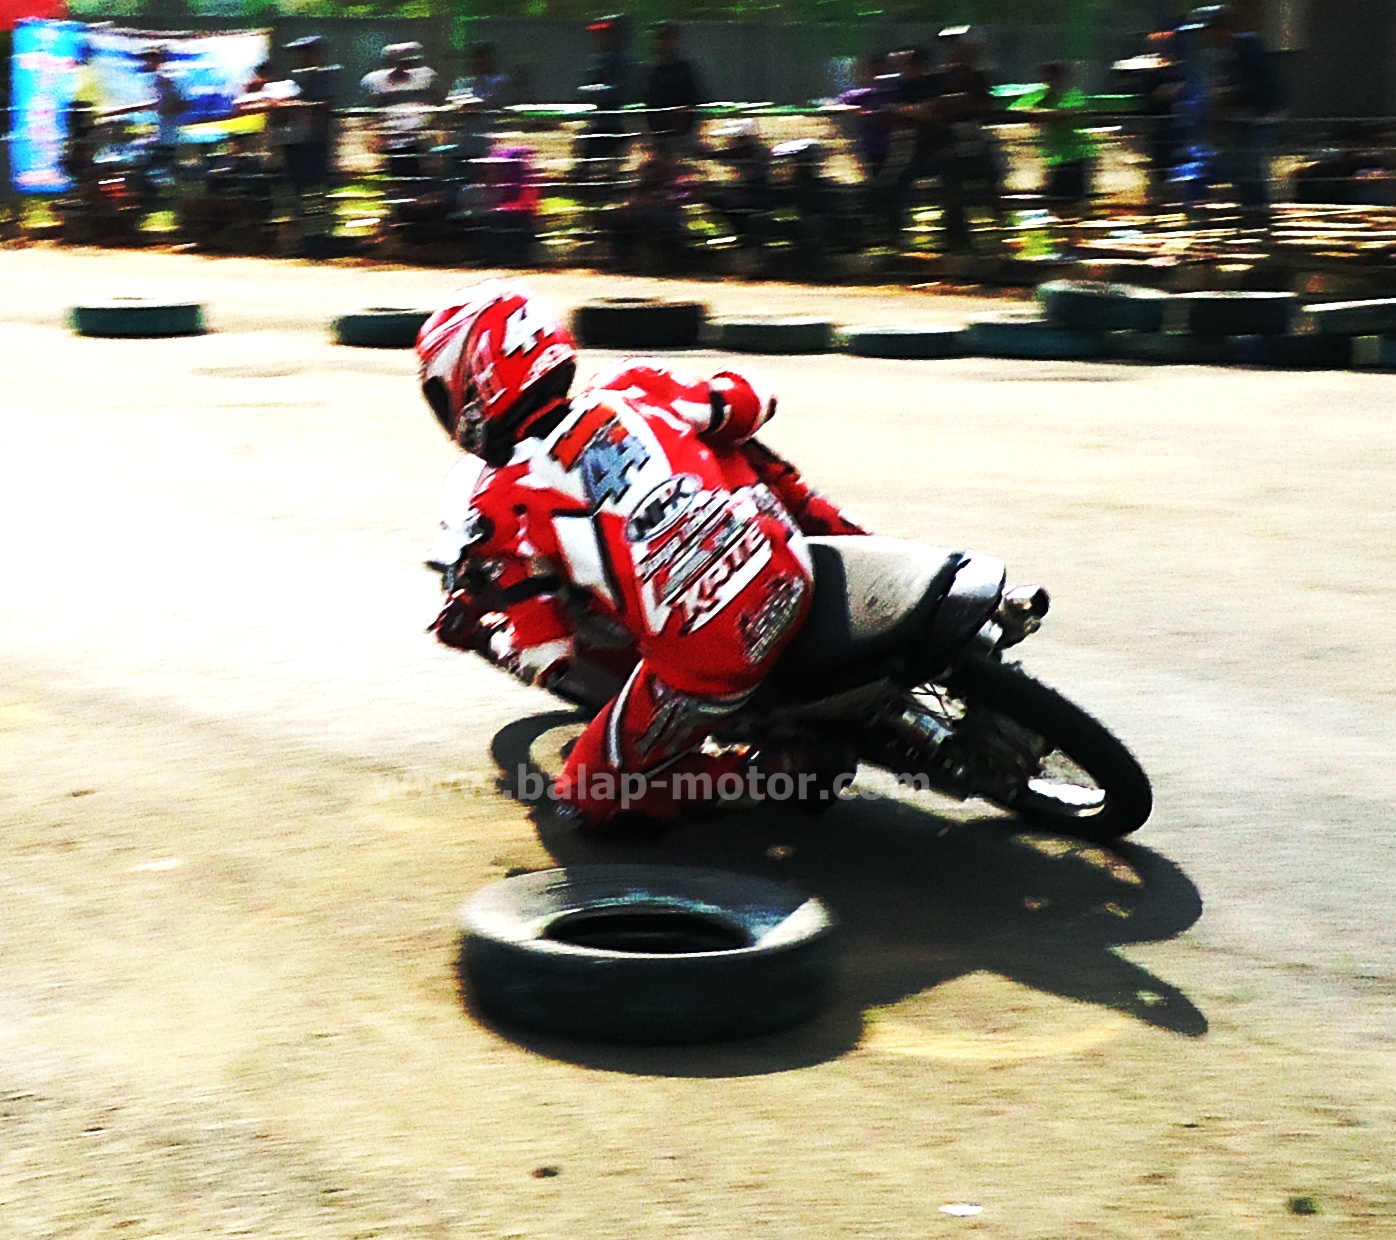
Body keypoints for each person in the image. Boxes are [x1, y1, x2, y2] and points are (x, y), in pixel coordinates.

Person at [417, 281, 866, 831]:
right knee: (728, 443)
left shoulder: (499, 498)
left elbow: (547, 655)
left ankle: (769, 772)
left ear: (477, 380)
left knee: (585, 797)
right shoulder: (633, 387)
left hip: (714, 655)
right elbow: (754, 400)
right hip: (790, 572)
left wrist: (489, 635)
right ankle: (861, 545)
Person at [1199, 3, 1281, 226]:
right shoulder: (1225, 54)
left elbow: (1263, 84)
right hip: (1245, 117)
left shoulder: (1250, 45)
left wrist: (1232, 93)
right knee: (1240, 162)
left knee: (1250, 161)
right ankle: (1249, 209)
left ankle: (1257, 212)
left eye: (1211, 32)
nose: (1209, 38)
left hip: (1266, 114)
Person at [1012, 61, 1098, 210]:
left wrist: (1038, 115)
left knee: (1072, 201)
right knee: (1058, 201)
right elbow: (1016, 109)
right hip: (1056, 156)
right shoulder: (1041, 96)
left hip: (1075, 154)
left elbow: (1064, 114)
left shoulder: (1071, 95)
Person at [361, 41, 440, 180]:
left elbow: (435, 104)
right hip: (392, 139)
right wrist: (374, 136)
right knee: (398, 176)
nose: (403, 66)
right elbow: (369, 112)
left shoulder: (425, 77)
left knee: (424, 178)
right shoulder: (375, 81)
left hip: (419, 138)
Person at [576, 15, 633, 183]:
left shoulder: (623, 63)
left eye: (606, 34)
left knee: (611, 170)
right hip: (597, 124)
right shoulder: (598, 62)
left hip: (617, 126)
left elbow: (619, 91)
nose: (601, 39)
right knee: (585, 167)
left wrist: (596, 91)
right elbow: (584, 89)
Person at [642, 22, 705, 156]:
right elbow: (649, 104)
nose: (663, 43)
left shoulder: (684, 70)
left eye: (667, 38)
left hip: (683, 135)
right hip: (661, 137)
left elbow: (694, 101)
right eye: (660, 39)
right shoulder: (654, 72)